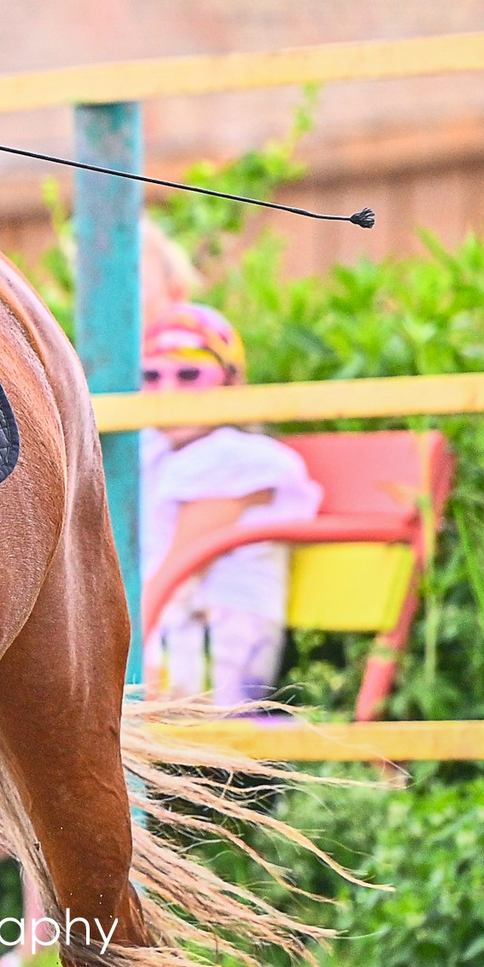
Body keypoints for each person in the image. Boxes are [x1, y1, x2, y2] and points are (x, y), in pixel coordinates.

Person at [137, 303, 321, 707]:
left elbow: (178, 570)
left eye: (190, 375)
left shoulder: (239, 459)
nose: (168, 392)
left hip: (214, 647)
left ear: (230, 382)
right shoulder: (155, 454)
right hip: (169, 633)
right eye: (151, 376)